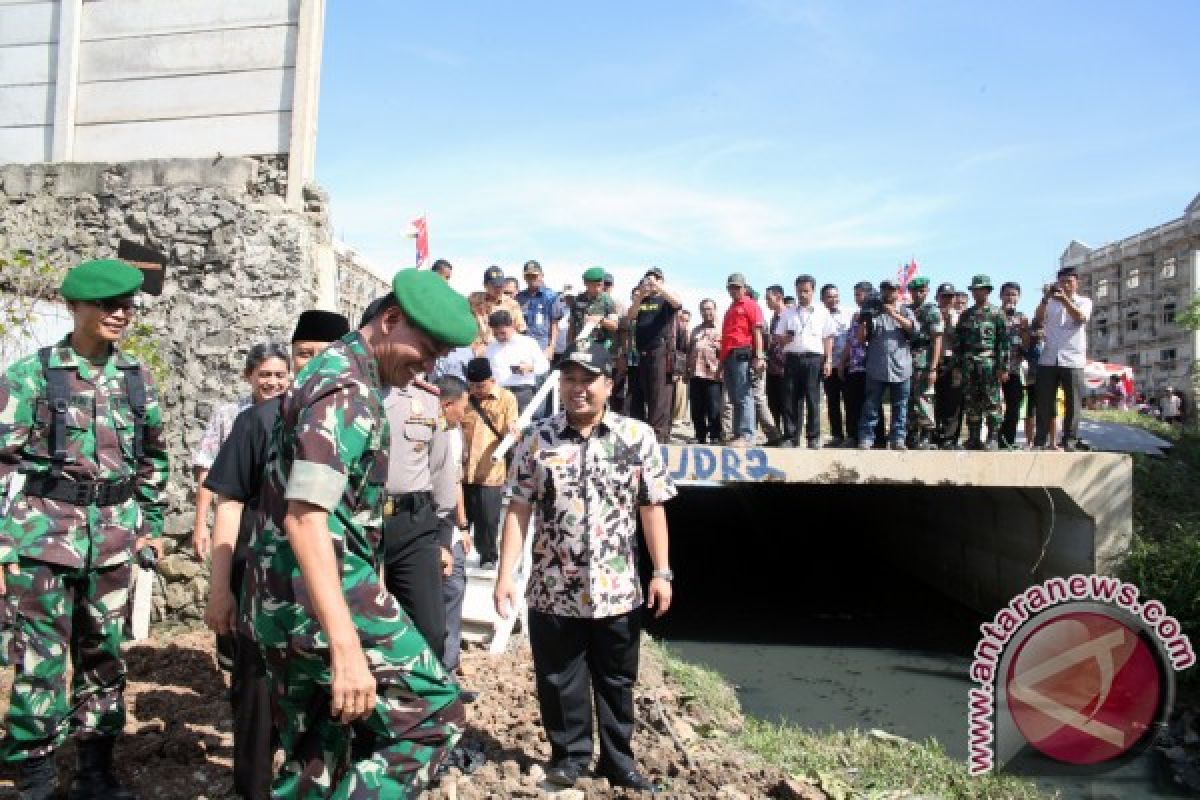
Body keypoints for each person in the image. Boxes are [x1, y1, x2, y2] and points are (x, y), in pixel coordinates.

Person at [244, 269, 473, 797]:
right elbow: (306, 516)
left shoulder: (340, 372)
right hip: (321, 600)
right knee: (433, 712)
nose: (430, 366)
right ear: (390, 320)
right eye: (427, 349)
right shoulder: (344, 386)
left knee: (314, 758)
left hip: (290, 601)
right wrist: (346, 646)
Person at [0, 258, 169, 800]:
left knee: (105, 660)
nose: (121, 315)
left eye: (128, 306)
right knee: (39, 663)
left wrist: (153, 525)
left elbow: (154, 458)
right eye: (109, 305)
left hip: (115, 543)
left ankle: (95, 770)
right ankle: (36, 775)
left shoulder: (138, 379)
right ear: (78, 307)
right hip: (41, 543)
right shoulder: (31, 375)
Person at [493, 341, 676, 792]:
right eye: (570, 379)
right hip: (554, 587)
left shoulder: (636, 438)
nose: (578, 389)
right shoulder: (538, 439)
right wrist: (505, 576)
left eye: (587, 380)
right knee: (559, 679)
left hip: (617, 589)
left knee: (616, 679)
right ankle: (570, 757)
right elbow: (518, 509)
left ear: (608, 386)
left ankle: (619, 761)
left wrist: (662, 572)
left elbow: (652, 506)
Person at [203, 313, 349, 800]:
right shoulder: (260, 420)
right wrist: (220, 589)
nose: (312, 363)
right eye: (303, 353)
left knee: (327, 716)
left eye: (323, 352)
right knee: (256, 712)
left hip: (332, 596)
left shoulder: (359, 422)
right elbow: (228, 503)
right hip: (261, 596)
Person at [191, 345, 292, 558]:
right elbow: (206, 467)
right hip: (235, 521)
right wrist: (200, 524)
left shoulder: (297, 416)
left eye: (279, 375)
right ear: (248, 376)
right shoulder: (229, 415)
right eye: (264, 375)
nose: (273, 382)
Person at [431, 376, 472, 674]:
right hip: (432, 531)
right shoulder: (432, 435)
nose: (465, 412)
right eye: (463, 406)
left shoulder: (455, 432)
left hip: (450, 528)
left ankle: (449, 667)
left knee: (455, 590)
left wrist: (463, 525)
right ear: (447, 404)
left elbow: (455, 482)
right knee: (441, 597)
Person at [461, 357, 518, 570]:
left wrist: (512, 432)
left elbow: (511, 427)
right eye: (472, 386)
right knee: (462, 516)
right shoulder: (464, 398)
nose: (476, 390)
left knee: (488, 518)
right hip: (464, 471)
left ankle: (488, 556)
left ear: (491, 380)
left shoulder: (506, 399)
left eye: (481, 385)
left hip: (490, 471)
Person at [1033, 266, 1092, 451]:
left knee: (1072, 403)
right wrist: (1046, 298)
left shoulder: (1084, 301)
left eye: (1069, 281)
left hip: (1072, 358)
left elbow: (1080, 318)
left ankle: (1069, 440)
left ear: (1076, 283)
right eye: (1062, 281)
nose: (1065, 285)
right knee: (1043, 402)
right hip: (1049, 358)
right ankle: (1040, 441)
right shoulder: (1050, 302)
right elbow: (1037, 320)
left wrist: (1065, 300)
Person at [952, 275, 1010, 450]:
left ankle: (992, 437)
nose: (979, 292)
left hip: (989, 363)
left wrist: (1003, 367)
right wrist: (957, 366)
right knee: (971, 401)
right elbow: (958, 343)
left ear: (988, 291)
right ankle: (974, 437)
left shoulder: (997, 314)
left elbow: (1003, 343)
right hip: (969, 363)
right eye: (976, 290)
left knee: (992, 401)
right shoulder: (966, 315)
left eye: (982, 289)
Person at [627, 267, 683, 443]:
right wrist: (640, 296)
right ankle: (646, 432)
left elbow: (677, 303)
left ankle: (659, 435)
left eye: (655, 279)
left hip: (660, 350)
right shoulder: (643, 299)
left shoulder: (664, 299)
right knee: (643, 392)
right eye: (648, 279)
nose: (650, 283)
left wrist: (659, 287)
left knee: (659, 394)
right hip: (643, 351)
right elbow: (631, 316)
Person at [858, 280, 915, 450]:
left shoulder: (905, 310)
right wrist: (864, 320)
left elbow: (913, 330)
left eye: (892, 290)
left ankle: (898, 439)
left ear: (898, 292)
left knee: (901, 406)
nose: (888, 293)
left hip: (901, 366)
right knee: (871, 405)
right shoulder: (872, 311)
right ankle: (867, 438)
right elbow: (861, 339)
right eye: (885, 290)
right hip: (877, 366)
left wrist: (894, 314)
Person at [780, 274, 836, 448]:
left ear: (812, 291)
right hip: (792, 358)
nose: (802, 294)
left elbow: (828, 337)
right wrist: (785, 339)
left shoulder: (822, 312)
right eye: (799, 291)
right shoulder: (788, 312)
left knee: (813, 398)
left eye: (806, 291)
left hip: (814, 359)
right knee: (791, 398)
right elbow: (778, 338)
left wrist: (828, 360)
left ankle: (813, 437)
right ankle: (791, 437)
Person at [720, 273, 765, 446]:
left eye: (737, 287)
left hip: (743, 353)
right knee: (734, 397)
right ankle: (738, 433)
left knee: (744, 394)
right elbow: (725, 337)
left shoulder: (750, 305)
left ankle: (747, 434)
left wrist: (759, 356)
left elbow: (757, 331)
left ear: (744, 288)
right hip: (729, 356)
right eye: (731, 287)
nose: (734, 290)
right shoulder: (730, 309)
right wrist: (721, 363)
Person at [903, 277, 944, 450]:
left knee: (924, 398)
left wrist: (933, 367)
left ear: (927, 291)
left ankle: (927, 435)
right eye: (916, 290)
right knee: (908, 399)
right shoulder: (906, 310)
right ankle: (911, 435)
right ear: (910, 292)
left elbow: (937, 340)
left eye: (923, 290)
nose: (919, 293)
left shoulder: (932, 311)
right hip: (905, 359)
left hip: (924, 359)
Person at [484, 310, 549, 412]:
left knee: (523, 425)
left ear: (512, 326)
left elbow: (545, 365)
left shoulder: (528, 343)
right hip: (499, 392)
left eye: (503, 333)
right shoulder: (491, 347)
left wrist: (531, 368)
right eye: (495, 334)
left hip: (522, 391)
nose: (500, 337)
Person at [820, 283, 854, 447]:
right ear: (822, 299)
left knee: (849, 401)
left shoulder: (848, 315)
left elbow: (851, 339)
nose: (833, 299)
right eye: (829, 296)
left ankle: (851, 436)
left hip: (846, 364)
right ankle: (836, 436)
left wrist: (844, 361)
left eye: (835, 296)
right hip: (827, 365)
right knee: (832, 402)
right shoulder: (818, 316)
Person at [998, 282, 1031, 448]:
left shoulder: (1022, 317)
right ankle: (993, 439)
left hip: (1014, 369)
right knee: (994, 406)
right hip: (995, 369)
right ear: (1001, 296)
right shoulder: (994, 314)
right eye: (1007, 294)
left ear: (1018, 297)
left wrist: (1025, 330)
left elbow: (1026, 346)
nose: (1010, 297)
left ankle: (1008, 440)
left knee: (1014, 407)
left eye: (1014, 294)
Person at [687, 299, 723, 444]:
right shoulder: (696, 330)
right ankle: (700, 435)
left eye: (709, 309)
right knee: (696, 407)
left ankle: (715, 435)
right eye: (703, 309)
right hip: (695, 372)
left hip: (713, 374)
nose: (707, 312)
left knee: (714, 406)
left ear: (715, 310)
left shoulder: (721, 329)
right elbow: (690, 350)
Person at [933, 282, 964, 449]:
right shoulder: (931, 313)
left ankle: (950, 438)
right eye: (944, 296)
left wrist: (950, 322)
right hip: (934, 362)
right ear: (937, 297)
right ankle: (933, 436)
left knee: (953, 402)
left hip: (953, 362)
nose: (947, 300)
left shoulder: (960, 316)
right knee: (934, 400)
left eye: (950, 297)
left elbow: (961, 341)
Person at [468, 266, 527, 352]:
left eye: (501, 285)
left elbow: (521, 330)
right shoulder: (474, 298)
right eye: (494, 286)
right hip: (477, 351)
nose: (499, 289)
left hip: (501, 351)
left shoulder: (512, 304)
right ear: (485, 285)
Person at [515, 260, 562, 362]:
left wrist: (551, 347)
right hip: (522, 346)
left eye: (534, 276)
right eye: (528, 276)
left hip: (542, 346)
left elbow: (554, 324)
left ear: (541, 275)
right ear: (524, 277)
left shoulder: (551, 296)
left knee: (541, 376)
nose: (531, 279)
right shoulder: (519, 298)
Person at [565, 267, 620, 351]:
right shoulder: (578, 300)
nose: (598, 289)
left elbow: (615, 326)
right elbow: (572, 325)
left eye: (600, 285)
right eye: (594, 285)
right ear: (586, 283)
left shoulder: (607, 300)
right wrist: (569, 346)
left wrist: (600, 319)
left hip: (600, 347)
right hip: (580, 346)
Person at [763, 285, 788, 431]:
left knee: (786, 404)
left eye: (769, 298)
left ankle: (791, 436)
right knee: (773, 403)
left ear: (778, 297)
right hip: (773, 367)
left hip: (785, 367)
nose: (767, 302)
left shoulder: (788, 315)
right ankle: (776, 435)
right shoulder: (773, 318)